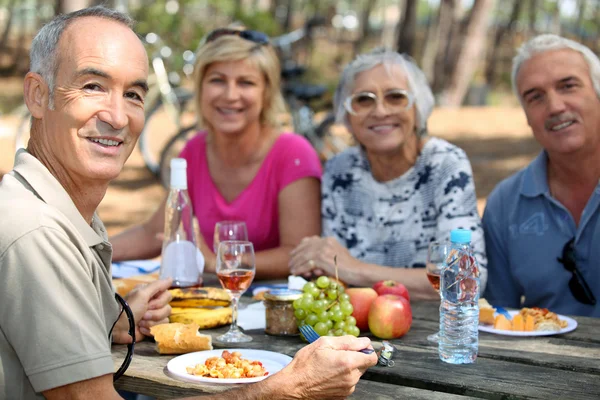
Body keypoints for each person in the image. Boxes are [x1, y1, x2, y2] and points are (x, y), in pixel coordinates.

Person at [0, 6, 376, 399]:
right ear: (38, 95)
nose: (116, 115)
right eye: (93, 86)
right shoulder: (38, 233)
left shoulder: (59, 216)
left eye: (132, 94)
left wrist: (103, 322)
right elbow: (153, 230)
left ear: (267, 92)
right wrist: (288, 388)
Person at [110, 26, 322, 280]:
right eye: (218, 80)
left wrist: (217, 260)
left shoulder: (294, 154)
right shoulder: (195, 150)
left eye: (246, 82)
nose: (231, 95)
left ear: (266, 93)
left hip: (275, 307)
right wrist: (90, 252)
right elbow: (154, 233)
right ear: (200, 88)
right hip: (214, 301)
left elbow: (299, 254)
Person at [289, 49, 487, 300]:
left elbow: (467, 278)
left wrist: (356, 270)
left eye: (395, 97)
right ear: (346, 115)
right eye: (364, 99)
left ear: (418, 108)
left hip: (434, 330)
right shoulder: (340, 170)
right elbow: (330, 268)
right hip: (356, 327)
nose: (380, 111)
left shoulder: (445, 164)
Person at [482, 34, 600, 317]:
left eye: (568, 86)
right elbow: (500, 314)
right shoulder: (505, 204)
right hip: (541, 359)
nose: (556, 106)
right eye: (535, 97)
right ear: (526, 115)